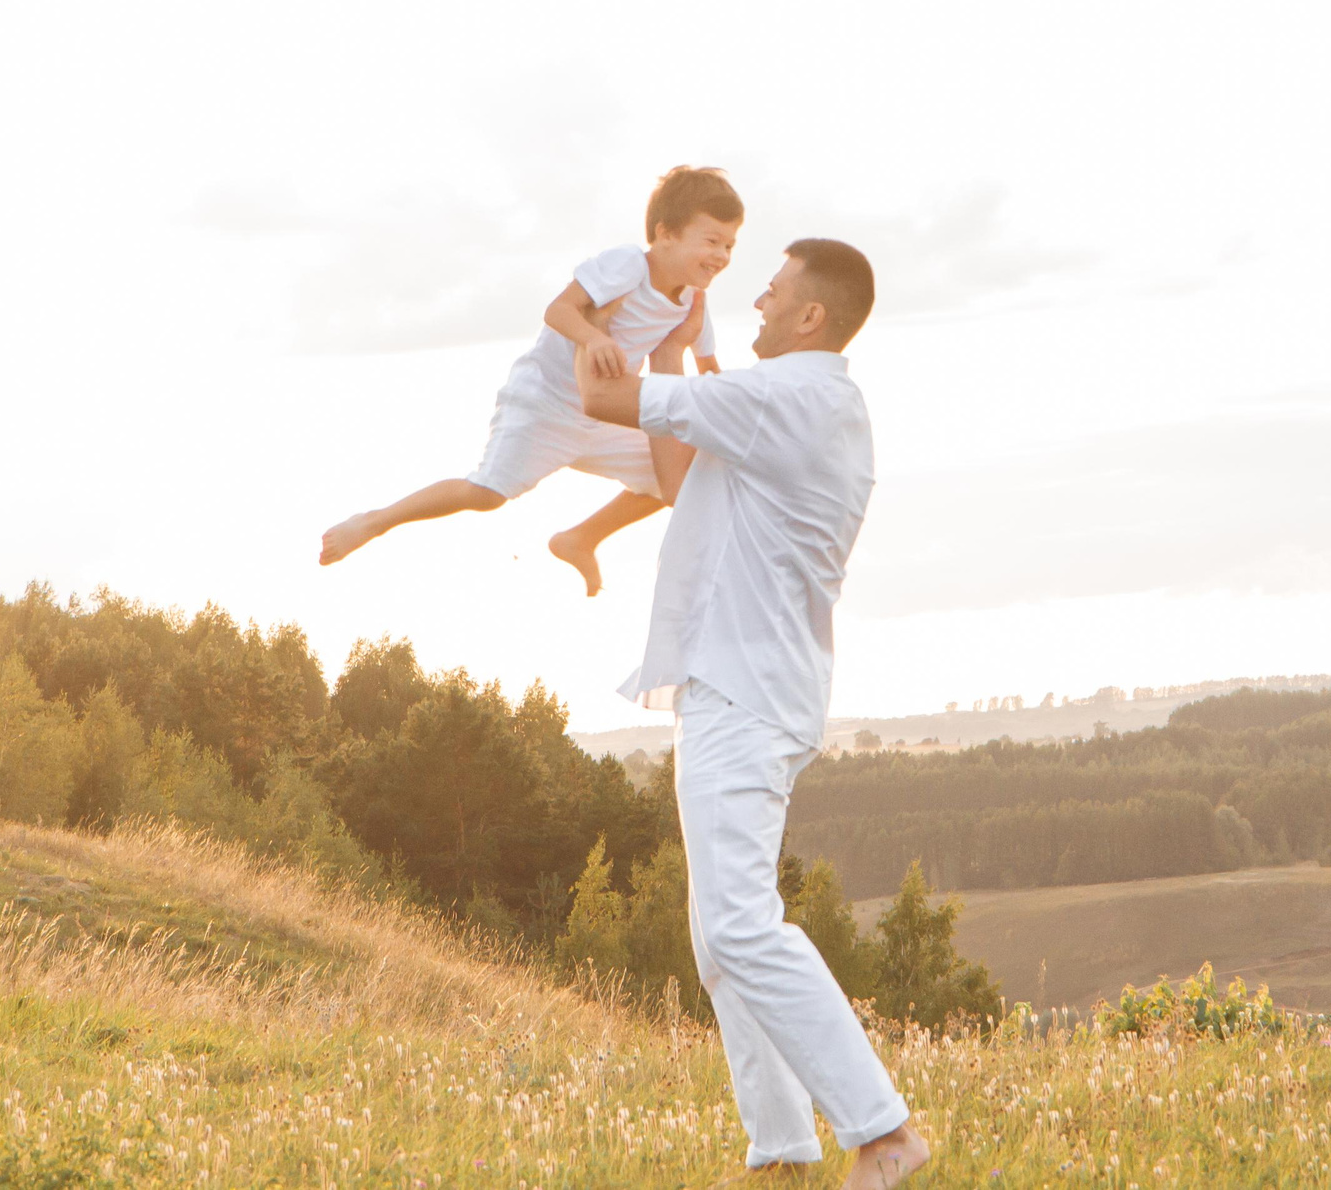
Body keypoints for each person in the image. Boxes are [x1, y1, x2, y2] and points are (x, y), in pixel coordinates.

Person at [577, 238, 932, 1189]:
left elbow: (599, 400)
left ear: (811, 316)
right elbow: (675, 474)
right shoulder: (800, 406)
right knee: (719, 937)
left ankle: (885, 1130)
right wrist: (668, 351)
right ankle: (780, 1150)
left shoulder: (792, 397)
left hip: (747, 691)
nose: (759, 301)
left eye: (771, 291)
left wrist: (597, 312)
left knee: (737, 926)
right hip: (740, 687)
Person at [317, 166, 741, 593]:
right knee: (487, 493)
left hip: (606, 414)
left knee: (683, 476)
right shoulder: (628, 265)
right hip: (545, 403)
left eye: (729, 244)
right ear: (666, 233)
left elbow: (709, 369)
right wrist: (593, 338)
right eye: (711, 241)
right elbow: (558, 311)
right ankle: (374, 522)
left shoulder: (692, 299)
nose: (722, 255)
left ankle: (581, 538)